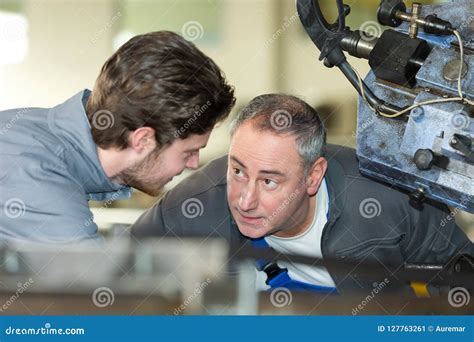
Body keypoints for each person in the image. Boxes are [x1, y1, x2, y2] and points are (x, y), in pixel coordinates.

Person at [131, 94, 472, 294]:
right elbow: (121, 271)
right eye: (237, 171)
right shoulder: (197, 202)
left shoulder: (391, 198)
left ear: (314, 176)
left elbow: (465, 285)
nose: (244, 200)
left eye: (269, 182)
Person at [0, 31, 235, 244]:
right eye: (189, 152)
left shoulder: (38, 139)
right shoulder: (37, 170)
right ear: (142, 140)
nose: (194, 163)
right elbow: (91, 285)